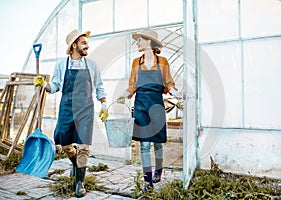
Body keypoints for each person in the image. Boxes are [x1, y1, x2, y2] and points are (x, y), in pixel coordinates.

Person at [34, 29, 108, 197]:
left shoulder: (92, 64)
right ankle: (76, 164)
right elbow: (54, 86)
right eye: (83, 43)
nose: (87, 45)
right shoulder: (61, 64)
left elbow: (99, 85)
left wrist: (103, 104)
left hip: (86, 109)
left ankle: (79, 183)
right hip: (67, 108)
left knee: (83, 146)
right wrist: (44, 85)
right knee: (65, 144)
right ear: (74, 45)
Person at [118, 29, 181, 189]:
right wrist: (124, 95)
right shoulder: (135, 63)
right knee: (145, 144)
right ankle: (148, 180)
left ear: (149, 43)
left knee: (157, 142)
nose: (137, 43)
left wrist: (177, 93)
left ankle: (158, 170)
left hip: (156, 104)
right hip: (140, 105)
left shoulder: (163, 62)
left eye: (140, 40)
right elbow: (132, 85)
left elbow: (168, 83)